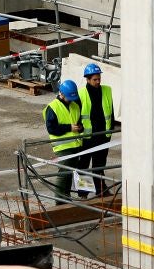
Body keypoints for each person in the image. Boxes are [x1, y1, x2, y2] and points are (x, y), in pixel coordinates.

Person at [78, 63, 117, 197]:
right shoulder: (81, 93)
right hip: (87, 137)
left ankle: (100, 189)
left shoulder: (107, 90)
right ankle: (84, 192)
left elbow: (110, 112)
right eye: (95, 79)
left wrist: (110, 130)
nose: (98, 81)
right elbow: (78, 115)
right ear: (87, 80)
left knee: (99, 164)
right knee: (83, 164)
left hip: (103, 135)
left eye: (99, 78)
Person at [43, 79, 84, 203]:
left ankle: (66, 198)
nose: (71, 100)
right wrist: (69, 128)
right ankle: (60, 201)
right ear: (61, 93)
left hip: (75, 145)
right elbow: (51, 129)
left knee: (69, 173)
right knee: (63, 173)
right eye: (69, 97)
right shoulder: (53, 107)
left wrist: (80, 127)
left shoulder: (75, 105)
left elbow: (79, 122)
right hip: (63, 147)